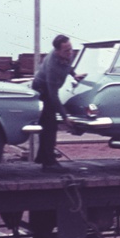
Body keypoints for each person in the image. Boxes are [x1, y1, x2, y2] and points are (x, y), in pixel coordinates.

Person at [32, 34, 85, 173]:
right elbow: (53, 96)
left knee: (48, 126)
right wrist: (65, 116)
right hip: (42, 91)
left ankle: (43, 157)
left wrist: (74, 75)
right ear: (57, 51)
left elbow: (68, 66)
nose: (70, 53)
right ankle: (49, 163)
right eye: (66, 51)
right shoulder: (52, 66)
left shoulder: (67, 54)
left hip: (50, 91)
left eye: (71, 49)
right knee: (49, 126)